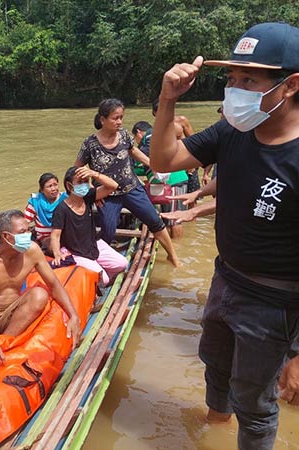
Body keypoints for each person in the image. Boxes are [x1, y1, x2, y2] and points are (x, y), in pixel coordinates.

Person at [151, 22, 299, 450]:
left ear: (290, 85)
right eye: (231, 79)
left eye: (249, 80)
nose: (234, 90)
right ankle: (213, 429)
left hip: (275, 303)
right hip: (225, 280)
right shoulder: (231, 132)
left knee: (256, 405)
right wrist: (166, 100)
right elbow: (163, 160)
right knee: (215, 367)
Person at [0, 210, 82, 367]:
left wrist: (73, 315)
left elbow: (53, 285)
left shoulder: (32, 251)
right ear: (6, 236)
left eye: (28, 230)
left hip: (11, 317)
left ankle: (3, 345)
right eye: (22, 232)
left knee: (40, 294)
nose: (28, 236)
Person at [75, 98, 181, 267]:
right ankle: (98, 262)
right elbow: (77, 171)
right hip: (108, 195)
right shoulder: (90, 144)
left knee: (154, 220)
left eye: (121, 117)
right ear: (102, 119)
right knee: (108, 232)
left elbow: (135, 152)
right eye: (115, 118)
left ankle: (173, 256)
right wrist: (91, 192)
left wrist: (154, 165)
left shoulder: (124, 135)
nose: (119, 122)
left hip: (132, 189)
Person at [50, 166, 128, 286]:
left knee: (122, 264)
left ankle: (100, 275)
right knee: (104, 279)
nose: (84, 185)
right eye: (80, 182)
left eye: (86, 181)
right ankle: (100, 278)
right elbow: (55, 235)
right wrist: (57, 254)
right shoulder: (61, 210)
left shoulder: (88, 197)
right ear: (69, 186)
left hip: (93, 244)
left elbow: (113, 186)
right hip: (74, 250)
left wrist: (95, 174)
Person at [132, 120, 188, 238]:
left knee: (175, 219)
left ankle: (176, 247)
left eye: (135, 137)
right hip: (168, 182)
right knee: (167, 218)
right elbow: (146, 167)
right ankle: (172, 246)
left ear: (138, 133)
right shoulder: (156, 140)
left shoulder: (149, 141)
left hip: (174, 181)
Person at [152, 98, 201, 196]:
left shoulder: (181, 121)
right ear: (154, 113)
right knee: (177, 194)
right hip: (175, 164)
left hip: (188, 160)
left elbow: (194, 140)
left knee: (193, 195)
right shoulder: (157, 128)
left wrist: (193, 163)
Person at [24, 172, 68, 252]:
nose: (54, 188)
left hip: (64, 233)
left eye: (55, 184)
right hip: (45, 237)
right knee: (53, 248)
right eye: (49, 186)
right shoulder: (35, 202)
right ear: (42, 190)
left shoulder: (66, 198)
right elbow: (24, 222)